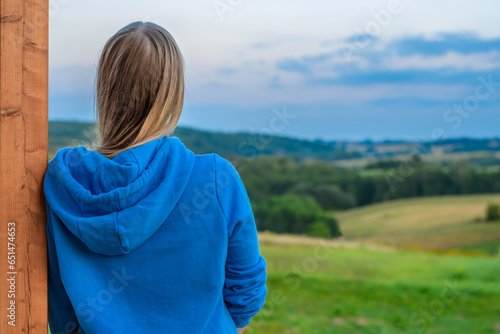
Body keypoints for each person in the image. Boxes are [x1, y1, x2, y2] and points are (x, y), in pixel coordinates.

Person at [43, 21, 267, 334]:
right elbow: (246, 292)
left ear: (105, 88)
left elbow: (59, 306)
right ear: (171, 92)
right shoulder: (216, 178)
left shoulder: (62, 184)